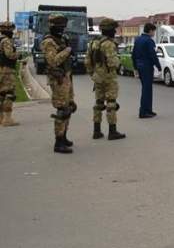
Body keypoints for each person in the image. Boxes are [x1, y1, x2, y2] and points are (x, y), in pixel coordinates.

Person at [41, 14, 77, 154]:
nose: (62, 29)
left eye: (63, 27)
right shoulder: (48, 42)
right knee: (62, 110)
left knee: (69, 107)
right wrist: (67, 50)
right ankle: (58, 142)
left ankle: (64, 137)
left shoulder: (61, 39)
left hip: (66, 75)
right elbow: (53, 61)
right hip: (58, 79)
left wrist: (70, 52)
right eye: (60, 27)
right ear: (52, 26)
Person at [85, 18, 126, 140]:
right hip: (109, 77)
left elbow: (87, 61)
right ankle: (112, 131)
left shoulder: (94, 42)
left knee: (98, 103)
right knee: (111, 103)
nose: (114, 32)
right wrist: (119, 61)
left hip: (97, 77)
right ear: (109, 30)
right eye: (113, 29)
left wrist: (92, 74)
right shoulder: (109, 44)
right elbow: (113, 63)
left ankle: (96, 131)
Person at [132, 23, 161, 118]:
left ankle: (148, 110)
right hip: (147, 67)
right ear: (150, 31)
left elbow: (133, 55)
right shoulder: (149, 41)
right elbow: (153, 55)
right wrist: (158, 66)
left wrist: (135, 67)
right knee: (147, 90)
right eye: (154, 31)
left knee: (146, 89)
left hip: (140, 66)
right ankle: (143, 112)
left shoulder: (138, 40)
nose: (154, 33)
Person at [0, 21, 19, 127]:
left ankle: (1, 118)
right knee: (9, 93)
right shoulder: (7, 41)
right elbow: (9, 54)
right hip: (6, 69)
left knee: (1, 94)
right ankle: (7, 119)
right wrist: (18, 54)